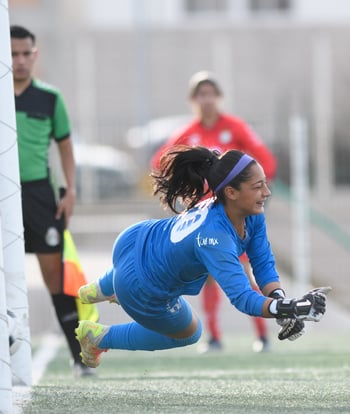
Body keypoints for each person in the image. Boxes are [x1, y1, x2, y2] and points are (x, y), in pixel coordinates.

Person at [75, 146, 328, 369]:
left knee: (142, 269)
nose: (267, 192)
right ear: (231, 192)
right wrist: (291, 308)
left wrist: (280, 302)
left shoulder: (249, 212)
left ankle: (97, 289)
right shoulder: (215, 237)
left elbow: (262, 263)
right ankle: (98, 337)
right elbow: (241, 299)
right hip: (139, 284)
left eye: (265, 183)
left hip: (135, 240)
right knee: (190, 333)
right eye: (257, 186)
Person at [151, 71, 278, 353]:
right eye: (200, 94)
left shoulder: (235, 127)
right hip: (206, 218)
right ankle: (215, 337)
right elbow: (160, 161)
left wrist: (254, 193)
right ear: (193, 100)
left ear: (218, 97)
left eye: (211, 93)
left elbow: (265, 159)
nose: (206, 100)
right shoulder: (187, 133)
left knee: (244, 271)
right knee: (208, 274)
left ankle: (262, 335)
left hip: (233, 215)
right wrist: (185, 190)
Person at [10, 25, 92, 377]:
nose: (20, 61)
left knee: (55, 277)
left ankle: (79, 356)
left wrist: (70, 189)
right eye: (12, 54)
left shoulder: (49, 98)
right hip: (3, 195)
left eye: (26, 53)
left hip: (40, 194)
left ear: (35, 54)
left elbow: (65, 146)